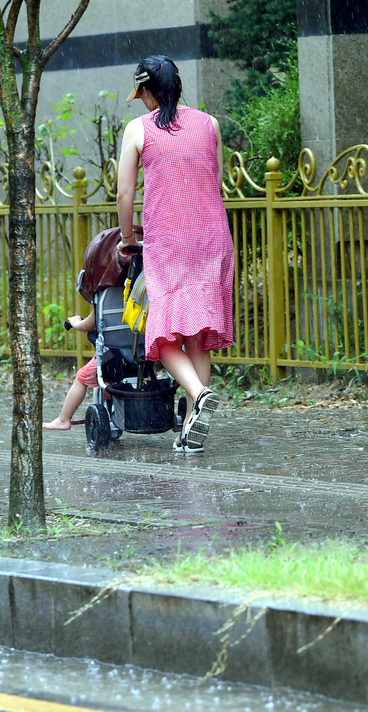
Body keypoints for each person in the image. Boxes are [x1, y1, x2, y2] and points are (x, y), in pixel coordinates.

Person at [116, 56, 234, 453]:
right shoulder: (209, 124)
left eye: (142, 95)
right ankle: (190, 431)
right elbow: (215, 181)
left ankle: (199, 394)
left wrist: (127, 237)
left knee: (162, 335)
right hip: (212, 238)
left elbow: (125, 194)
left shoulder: (139, 129)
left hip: (170, 243)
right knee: (197, 337)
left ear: (148, 91)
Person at [43, 310, 98, 430]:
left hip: (111, 355)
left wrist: (76, 322)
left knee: (82, 377)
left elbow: (86, 326)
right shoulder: (134, 301)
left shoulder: (104, 302)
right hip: (138, 355)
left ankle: (63, 420)